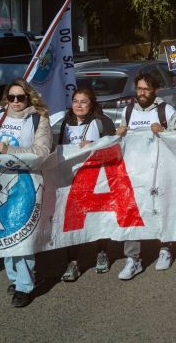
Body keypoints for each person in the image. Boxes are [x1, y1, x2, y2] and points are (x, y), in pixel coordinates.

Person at [0, 79, 52, 307]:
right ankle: (15, 277)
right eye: (11, 97)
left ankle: (25, 285)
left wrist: (10, 150)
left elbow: (42, 152)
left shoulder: (38, 118)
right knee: (3, 230)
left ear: (28, 97)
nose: (15, 102)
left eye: (20, 97)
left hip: (26, 181)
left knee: (21, 233)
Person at [115, 72, 176, 280]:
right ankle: (133, 259)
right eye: (139, 88)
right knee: (133, 213)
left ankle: (165, 248)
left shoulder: (166, 110)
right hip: (135, 172)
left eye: (146, 89)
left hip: (160, 171)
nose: (142, 92)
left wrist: (164, 131)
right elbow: (119, 143)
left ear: (155, 90)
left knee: (161, 208)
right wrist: (118, 134)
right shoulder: (128, 111)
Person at [58, 88, 116, 281]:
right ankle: (72, 262)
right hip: (72, 180)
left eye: (84, 101)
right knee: (72, 221)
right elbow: (60, 150)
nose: (79, 105)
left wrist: (95, 145)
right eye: (76, 101)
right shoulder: (66, 123)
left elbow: (114, 147)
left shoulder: (101, 122)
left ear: (91, 104)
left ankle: (102, 252)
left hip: (96, 179)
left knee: (98, 218)